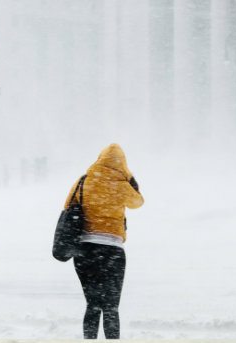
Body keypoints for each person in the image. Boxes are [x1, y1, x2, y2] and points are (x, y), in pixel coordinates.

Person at [64, 143, 144, 339]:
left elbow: (68, 205)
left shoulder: (84, 181)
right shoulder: (122, 185)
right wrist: (131, 179)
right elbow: (138, 202)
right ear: (122, 164)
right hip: (112, 252)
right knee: (111, 308)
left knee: (92, 304)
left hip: (85, 251)